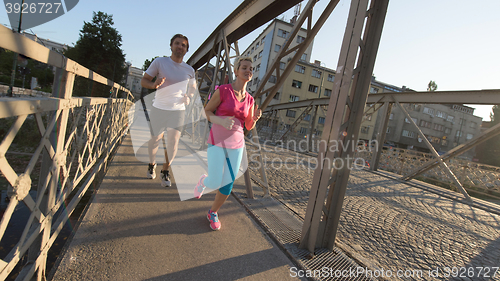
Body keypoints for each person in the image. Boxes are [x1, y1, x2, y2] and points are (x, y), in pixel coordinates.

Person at [193, 56, 262, 230]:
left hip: (237, 145)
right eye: (244, 67)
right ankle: (203, 181)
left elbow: (247, 125)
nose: (248, 71)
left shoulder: (250, 100)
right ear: (236, 71)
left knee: (228, 184)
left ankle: (213, 212)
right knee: (215, 181)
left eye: (251, 69)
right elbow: (206, 112)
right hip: (218, 141)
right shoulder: (223, 90)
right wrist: (220, 121)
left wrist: (254, 119)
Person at [141, 34, 195, 187]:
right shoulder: (160, 62)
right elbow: (144, 81)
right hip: (159, 107)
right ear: (171, 46)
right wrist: (154, 84)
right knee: (154, 140)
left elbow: (193, 88)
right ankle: (152, 164)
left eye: (183, 45)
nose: (180, 47)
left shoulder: (189, 70)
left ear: (186, 50)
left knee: (173, 141)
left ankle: (165, 171)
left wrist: (189, 97)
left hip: (178, 110)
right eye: (177, 43)